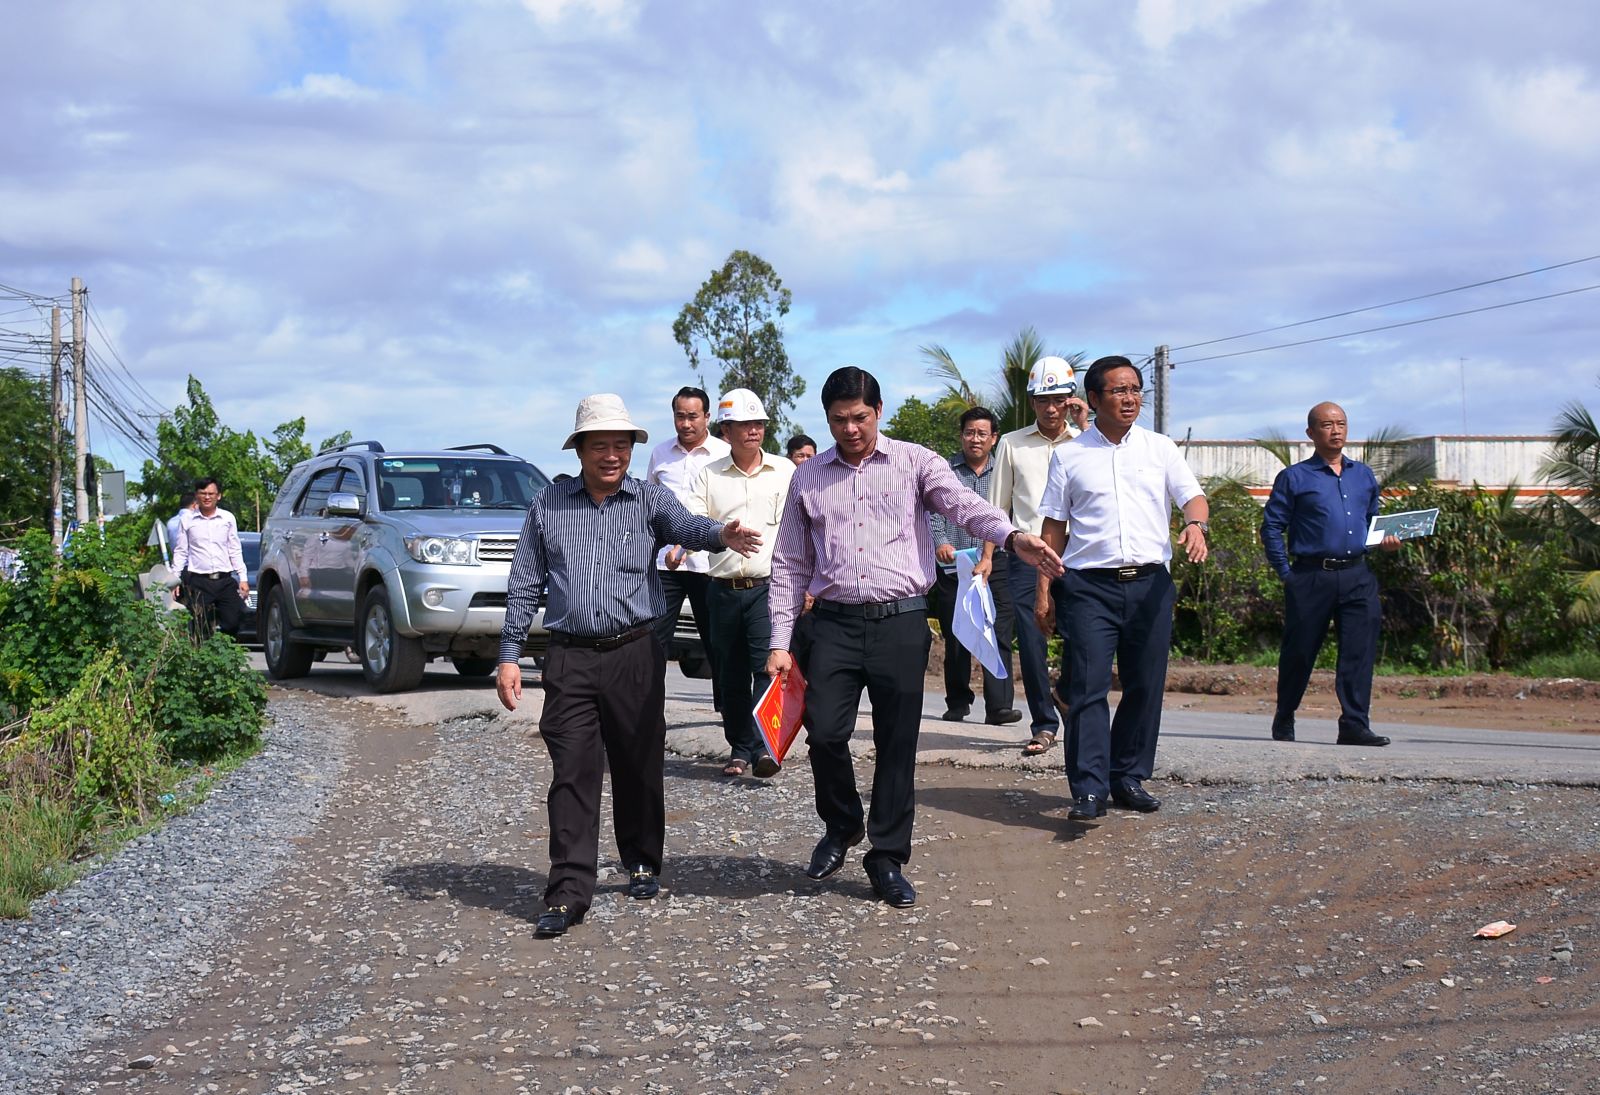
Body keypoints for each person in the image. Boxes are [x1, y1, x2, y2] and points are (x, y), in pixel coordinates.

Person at [767, 367, 1063, 909]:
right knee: (825, 733)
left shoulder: (915, 462)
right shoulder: (807, 479)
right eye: (839, 420)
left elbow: (962, 505)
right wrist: (780, 641)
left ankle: (886, 856)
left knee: (897, 742)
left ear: (878, 411)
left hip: (902, 623)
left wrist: (1012, 535)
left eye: (860, 417)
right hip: (831, 622)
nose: (851, 429)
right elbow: (788, 562)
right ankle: (842, 825)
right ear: (827, 419)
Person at [496, 394, 761, 939]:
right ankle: (569, 889)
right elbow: (524, 583)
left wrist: (724, 535)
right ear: (581, 450)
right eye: (601, 446)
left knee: (639, 761)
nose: (612, 455)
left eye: (621, 445)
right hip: (569, 656)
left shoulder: (646, 498)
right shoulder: (548, 505)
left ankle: (642, 859)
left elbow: (689, 526)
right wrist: (508, 656)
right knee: (572, 771)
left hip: (636, 650)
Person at [1036, 356, 1209, 821]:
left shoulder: (1160, 448)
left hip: (1151, 585)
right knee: (1089, 688)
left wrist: (1195, 525)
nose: (1130, 398)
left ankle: (1127, 776)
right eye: (1119, 391)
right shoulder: (1069, 456)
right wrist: (1044, 590)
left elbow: (1192, 496)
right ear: (1094, 399)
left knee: (1144, 685)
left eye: (1135, 390)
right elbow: (1053, 526)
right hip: (1089, 587)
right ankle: (1088, 790)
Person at [1260, 402, 1401, 747]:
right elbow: (1271, 527)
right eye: (1326, 425)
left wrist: (1386, 540)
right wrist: (1286, 574)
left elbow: (1371, 521)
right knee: (1300, 651)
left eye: (1341, 424)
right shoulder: (1294, 477)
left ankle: (1354, 723)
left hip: (1357, 575)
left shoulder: (1363, 475)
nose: (1335, 430)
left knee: (1358, 651)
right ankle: (1285, 714)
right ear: (1311, 433)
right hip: (1311, 577)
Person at [686, 388, 796, 778]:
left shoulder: (786, 471)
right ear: (726, 431)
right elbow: (693, 523)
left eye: (758, 424)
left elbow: (802, 529)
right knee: (729, 673)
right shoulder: (708, 475)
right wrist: (720, 531)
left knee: (767, 670)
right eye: (743, 425)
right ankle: (739, 746)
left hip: (769, 589)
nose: (753, 431)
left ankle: (764, 747)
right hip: (722, 590)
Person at [987, 356, 1089, 754]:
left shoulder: (1087, 442)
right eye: (1043, 400)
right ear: (1032, 402)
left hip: (1079, 555)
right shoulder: (1012, 444)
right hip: (1028, 557)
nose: (1051, 408)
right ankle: (1044, 723)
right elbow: (997, 509)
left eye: (1059, 399)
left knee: (1082, 637)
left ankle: (1070, 700)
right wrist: (987, 558)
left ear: (1071, 400)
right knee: (1031, 639)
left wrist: (1085, 425)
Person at [929, 406, 1020, 725]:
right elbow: (933, 510)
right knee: (957, 636)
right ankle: (957, 701)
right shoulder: (945, 470)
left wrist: (988, 556)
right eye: (970, 432)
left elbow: (1005, 515)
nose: (975, 439)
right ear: (961, 435)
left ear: (994, 438)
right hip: (954, 564)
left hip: (995, 563)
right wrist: (940, 541)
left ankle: (999, 707)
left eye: (982, 433)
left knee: (998, 631)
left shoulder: (1003, 471)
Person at [646, 386, 730, 685]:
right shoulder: (660, 454)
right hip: (664, 564)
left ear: (707, 417)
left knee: (717, 640)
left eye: (693, 416)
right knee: (654, 640)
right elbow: (650, 505)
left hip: (709, 563)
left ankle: (728, 710)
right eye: (680, 416)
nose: (686, 424)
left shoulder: (724, 453)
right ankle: (647, 709)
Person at [172, 477, 249, 637]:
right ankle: (203, 659)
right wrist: (175, 579)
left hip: (224, 580)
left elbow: (234, 549)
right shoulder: (187, 520)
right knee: (200, 627)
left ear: (218, 496)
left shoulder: (227, 518)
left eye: (211, 494)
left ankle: (227, 655)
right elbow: (181, 551)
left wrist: (243, 577)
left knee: (233, 622)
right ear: (197, 496)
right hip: (199, 581)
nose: (207, 497)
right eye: (203, 493)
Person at [165, 492, 197, 566]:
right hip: (196, 569)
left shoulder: (170, 522)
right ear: (195, 505)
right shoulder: (195, 520)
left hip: (179, 567)